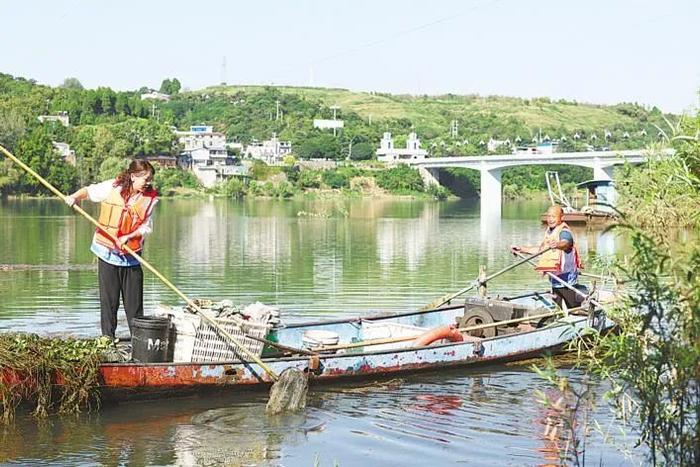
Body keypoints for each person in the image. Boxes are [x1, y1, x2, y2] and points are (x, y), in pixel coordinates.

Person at [65, 160, 158, 339]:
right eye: (144, 179)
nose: (147, 183)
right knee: (109, 302)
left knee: (134, 305)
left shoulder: (149, 199)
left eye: (150, 179)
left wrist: (128, 237)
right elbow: (89, 191)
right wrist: (75, 197)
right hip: (107, 253)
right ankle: (108, 340)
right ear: (133, 176)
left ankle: (138, 344)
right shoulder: (112, 187)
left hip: (131, 257)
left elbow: (147, 227)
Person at [510, 205, 583, 309]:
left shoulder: (564, 232)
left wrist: (557, 244)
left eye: (553, 216)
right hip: (555, 278)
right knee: (559, 306)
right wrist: (521, 249)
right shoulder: (550, 232)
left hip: (567, 279)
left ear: (561, 217)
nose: (550, 219)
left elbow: (566, 243)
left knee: (571, 308)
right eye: (548, 216)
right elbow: (541, 251)